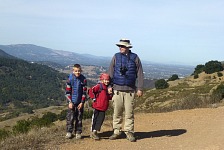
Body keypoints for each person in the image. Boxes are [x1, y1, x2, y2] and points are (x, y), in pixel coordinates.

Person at [108, 38, 144, 142]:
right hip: (117, 89)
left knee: (129, 113)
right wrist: (109, 86)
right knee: (117, 112)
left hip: (130, 90)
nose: (120, 47)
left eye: (122, 46)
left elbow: (140, 73)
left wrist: (140, 88)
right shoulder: (116, 56)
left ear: (128, 47)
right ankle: (116, 131)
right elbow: (110, 72)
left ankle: (129, 132)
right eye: (120, 46)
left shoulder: (135, 57)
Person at [65, 64, 87, 139]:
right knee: (70, 118)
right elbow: (67, 92)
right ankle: (69, 132)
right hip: (72, 102)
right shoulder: (70, 79)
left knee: (79, 118)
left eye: (79, 71)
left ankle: (78, 132)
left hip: (80, 102)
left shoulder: (83, 79)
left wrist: (82, 102)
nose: (77, 72)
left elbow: (84, 93)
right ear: (73, 71)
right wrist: (70, 102)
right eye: (76, 71)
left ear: (81, 71)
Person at [90, 73, 113, 140]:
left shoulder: (108, 88)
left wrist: (110, 94)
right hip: (97, 107)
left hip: (103, 108)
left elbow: (109, 98)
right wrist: (93, 98)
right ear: (102, 80)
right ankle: (92, 132)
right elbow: (91, 90)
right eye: (105, 80)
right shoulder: (99, 86)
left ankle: (95, 132)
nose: (106, 81)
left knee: (100, 120)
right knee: (94, 119)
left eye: (108, 80)